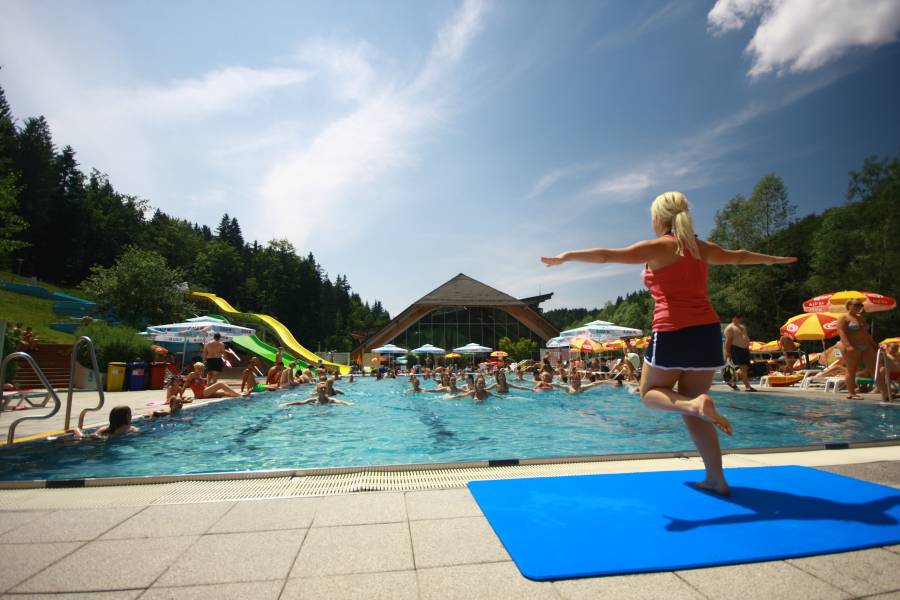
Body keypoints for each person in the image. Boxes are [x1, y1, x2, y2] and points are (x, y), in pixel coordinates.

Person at [542, 190, 796, 495]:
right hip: (707, 332)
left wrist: (566, 256)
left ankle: (695, 405)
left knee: (649, 394)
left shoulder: (660, 247)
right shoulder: (702, 248)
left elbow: (607, 256)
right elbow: (739, 256)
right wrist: (774, 259)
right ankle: (716, 477)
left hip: (673, 329)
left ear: (659, 218)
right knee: (695, 410)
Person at [837, 299, 879, 399]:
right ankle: (851, 393)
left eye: (860, 305)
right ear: (849, 305)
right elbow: (841, 331)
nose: (859, 307)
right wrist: (848, 345)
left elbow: (866, 334)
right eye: (856, 305)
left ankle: (884, 391)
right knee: (851, 369)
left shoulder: (861, 318)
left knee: (874, 368)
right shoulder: (843, 317)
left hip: (865, 345)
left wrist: (875, 345)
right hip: (852, 346)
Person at [724, 315, 756, 392]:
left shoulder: (742, 327)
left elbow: (745, 337)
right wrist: (728, 352)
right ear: (733, 318)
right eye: (736, 317)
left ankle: (731, 381)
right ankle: (748, 387)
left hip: (745, 349)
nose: (738, 319)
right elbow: (728, 341)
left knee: (746, 367)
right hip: (736, 348)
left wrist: (748, 348)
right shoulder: (730, 328)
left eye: (739, 317)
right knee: (743, 367)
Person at [185, 362, 249, 398]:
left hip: (204, 392)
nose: (200, 370)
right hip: (200, 394)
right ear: (195, 368)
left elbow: (203, 385)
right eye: (198, 368)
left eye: (201, 368)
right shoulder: (192, 374)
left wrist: (209, 385)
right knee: (220, 384)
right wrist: (181, 394)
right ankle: (239, 395)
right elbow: (186, 384)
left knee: (225, 393)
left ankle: (239, 394)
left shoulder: (199, 376)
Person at [70, 405, 138, 439]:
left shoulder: (103, 429)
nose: (131, 416)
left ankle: (76, 430)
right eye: (130, 414)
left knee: (84, 437)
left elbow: (90, 437)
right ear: (127, 417)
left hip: (101, 439)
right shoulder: (132, 429)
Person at [280, 382, 353, 407]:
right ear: (317, 390)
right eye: (321, 388)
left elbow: (340, 401)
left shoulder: (331, 400)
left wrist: (347, 403)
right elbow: (300, 403)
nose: (323, 389)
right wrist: (287, 404)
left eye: (324, 388)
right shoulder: (313, 400)